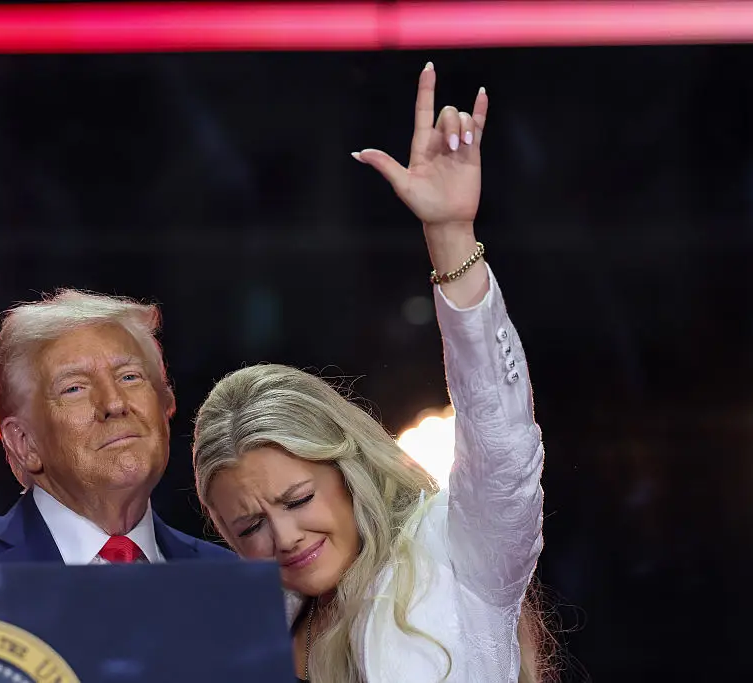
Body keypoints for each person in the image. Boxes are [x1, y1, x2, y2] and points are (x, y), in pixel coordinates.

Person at [192, 63, 550, 683]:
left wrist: (450, 235)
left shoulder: (458, 553)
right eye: (249, 525)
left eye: (297, 498)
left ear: (347, 468)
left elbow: (501, 434)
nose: (284, 536)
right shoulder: (236, 642)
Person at [0, 291, 231, 566]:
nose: (114, 404)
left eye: (130, 376)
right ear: (23, 442)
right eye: (74, 388)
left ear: (166, 402)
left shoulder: (227, 578)